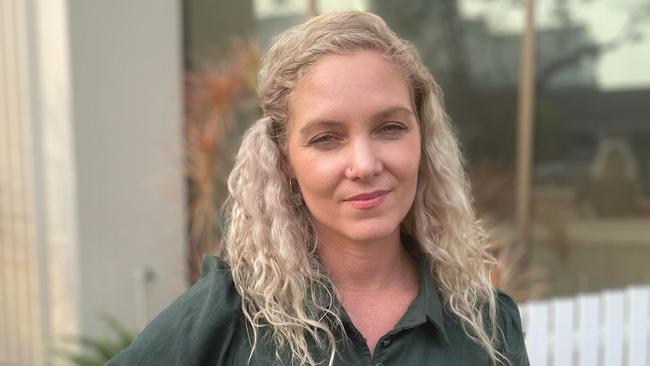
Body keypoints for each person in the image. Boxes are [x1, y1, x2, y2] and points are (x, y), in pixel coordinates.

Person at [108, 11, 529, 366]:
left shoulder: (486, 323)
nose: (364, 164)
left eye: (390, 128)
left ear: (422, 138)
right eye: (327, 138)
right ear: (285, 159)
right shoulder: (229, 315)